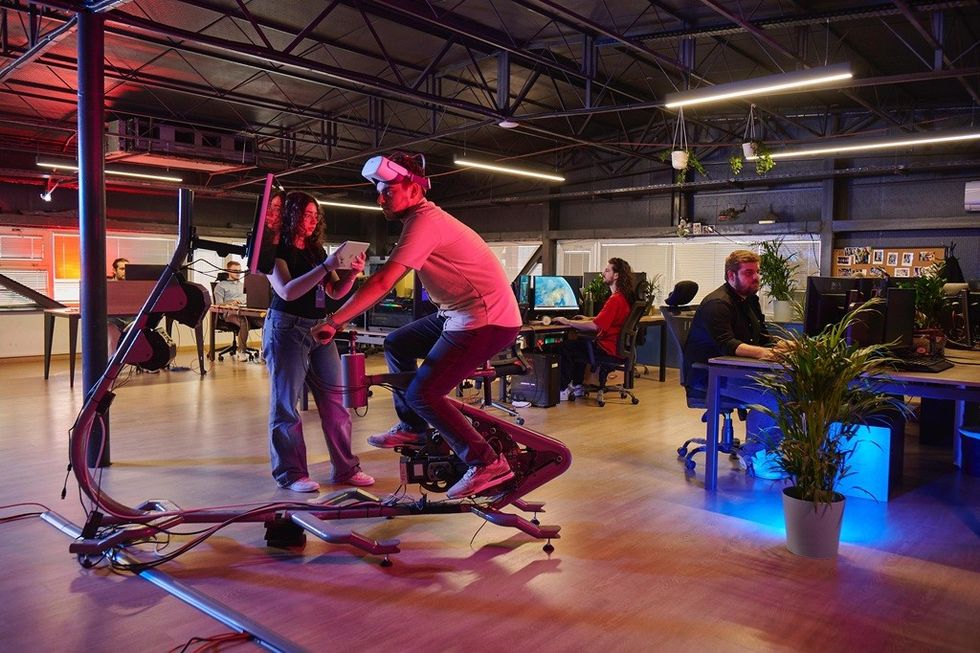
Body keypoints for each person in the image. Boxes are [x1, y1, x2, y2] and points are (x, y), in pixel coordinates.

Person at [312, 151, 522, 500]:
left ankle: (486, 462)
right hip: (458, 313)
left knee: (424, 394)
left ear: (414, 188)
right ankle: (413, 427)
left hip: (486, 318)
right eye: (378, 192)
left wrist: (334, 321)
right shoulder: (418, 221)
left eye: (388, 191)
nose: (380, 199)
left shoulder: (426, 222)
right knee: (398, 343)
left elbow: (384, 282)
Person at [264, 191, 374, 493]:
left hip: (319, 329)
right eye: (306, 215)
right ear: (291, 215)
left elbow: (334, 292)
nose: (312, 221)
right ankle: (291, 474)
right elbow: (287, 291)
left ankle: (346, 468)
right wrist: (326, 266)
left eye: (316, 216)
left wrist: (351, 274)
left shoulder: (315, 251)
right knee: (286, 405)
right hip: (286, 328)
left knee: (336, 401)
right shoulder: (276, 249)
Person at [683, 249, 792, 468]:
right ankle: (753, 456)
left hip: (737, 373)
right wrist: (765, 353)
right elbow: (728, 344)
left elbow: (761, 337)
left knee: (791, 390)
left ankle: (773, 449)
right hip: (711, 377)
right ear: (731, 275)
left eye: (757, 272)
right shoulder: (717, 304)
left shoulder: (750, 300)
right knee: (772, 398)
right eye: (749, 273)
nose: (756, 277)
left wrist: (786, 345)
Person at [553, 257, 637, 400]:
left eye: (607, 270)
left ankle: (562, 389)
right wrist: (588, 319)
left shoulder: (615, 300)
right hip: (618, 350)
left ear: (616, 275)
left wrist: (568, 322)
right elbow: (605, 321)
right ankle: (578, 387)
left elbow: (596, 326)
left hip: (607, 349)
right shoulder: (623, 298)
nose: (603, 273)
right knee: (579, 345)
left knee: (564, 348)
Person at [213, 261, 251, 361]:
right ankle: (241, 351)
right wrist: (231, 302)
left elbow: (248, 299)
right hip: (229, 314)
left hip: (245, 311)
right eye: (235, 271)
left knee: (265, 320)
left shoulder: (244, 285)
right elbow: (218, 304)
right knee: (244, 321)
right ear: (228, 271)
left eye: (239, 271)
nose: (238, 273)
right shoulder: (220, 286)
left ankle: (265, 351)